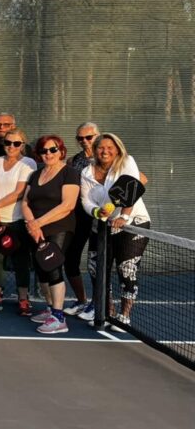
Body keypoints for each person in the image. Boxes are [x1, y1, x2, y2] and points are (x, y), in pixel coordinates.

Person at [81, 133, 152, 327]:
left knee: (126, 269)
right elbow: (85, 200)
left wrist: (124, 216)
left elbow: (133, 187)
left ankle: (124, 315)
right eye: (100, 147)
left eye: (109, 147)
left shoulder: (127, 162)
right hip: (102, 225)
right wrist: (97, 211)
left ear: (118, 149)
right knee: (95, 269)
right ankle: (107, 313)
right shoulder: (87, 172)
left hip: (133, 223)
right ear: (95, 150)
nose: (105, 151)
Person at [22, 135, 82, 335]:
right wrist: (33, 224)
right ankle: (50, 308)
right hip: (36, 229)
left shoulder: (69, 173)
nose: (48, 154)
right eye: (44, 151)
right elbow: (25, 202)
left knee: (53, 268)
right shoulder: (35, 174)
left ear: (61, 151)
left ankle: (59, 317)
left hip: (60, 228)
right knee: (41, 269)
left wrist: (38, 223)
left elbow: (68, 205)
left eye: (52, 149)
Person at [0, 127, 36, 313]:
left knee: (21, 260)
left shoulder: (28, 163)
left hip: (18, 220)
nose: (11, 146)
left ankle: (23, 298)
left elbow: (19, 193)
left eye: (16, 143)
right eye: (8, 142)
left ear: (22, 145)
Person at [63, 121, 99, 319]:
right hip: (77, 217)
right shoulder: (74, 161)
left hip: (97, 219)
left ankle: (98, 305)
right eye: (80, 138)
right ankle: (81, 301)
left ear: (97, 135)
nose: (84, 141)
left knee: (95, 264)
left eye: (89, 137)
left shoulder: (107, 157)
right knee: (70, 259)